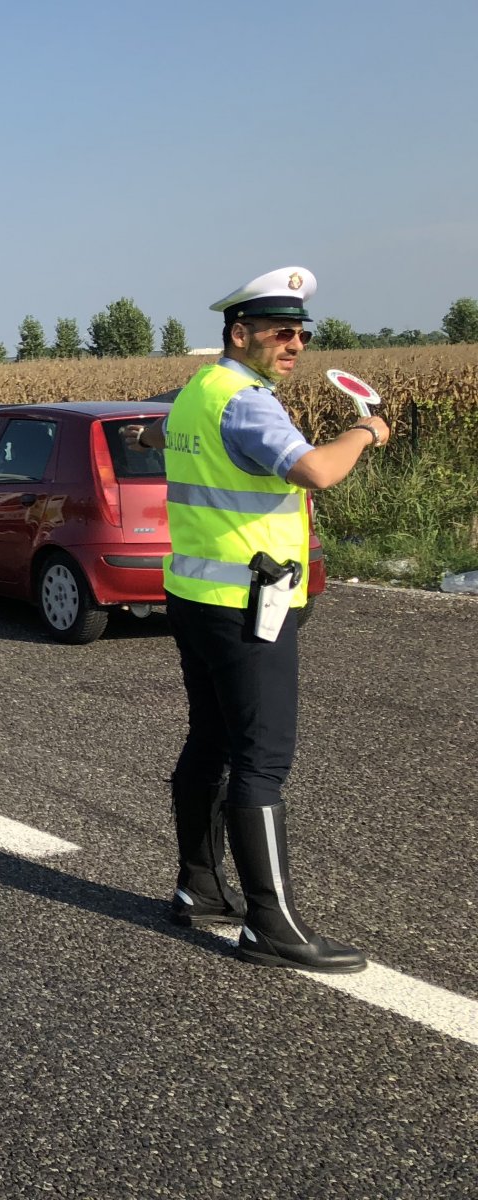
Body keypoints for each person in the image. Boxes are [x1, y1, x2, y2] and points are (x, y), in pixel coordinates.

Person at [132, 266, 387, 974]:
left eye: (302, 332)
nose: (295, 342)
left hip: (193, 597)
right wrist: (365, 431)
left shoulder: (196, 394)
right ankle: (269, 924)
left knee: (209, 741)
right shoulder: (246, 402)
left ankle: (198, 886)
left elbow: (157, 438)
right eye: (282, 331)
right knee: (262, 759)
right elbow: (315, 472)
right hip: (250, 606)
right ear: (239, 333)